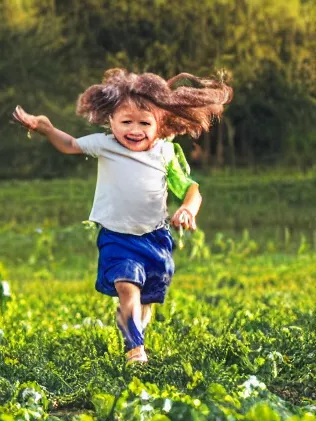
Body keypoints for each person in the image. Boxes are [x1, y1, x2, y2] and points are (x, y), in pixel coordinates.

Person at [13, 68, 233, 363]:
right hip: (116, 238)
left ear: (161, 123)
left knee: (144, 302)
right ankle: (135, 350)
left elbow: (191, 189)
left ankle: (134, 327)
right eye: (126, 121)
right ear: (111, 121)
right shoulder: (106, 145)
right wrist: (46, 128)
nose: (135, 129)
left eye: (145, 122)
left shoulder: (165, 154)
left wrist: (187, 209)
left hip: (155, 239)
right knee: (127, 289)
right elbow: (70, 145)